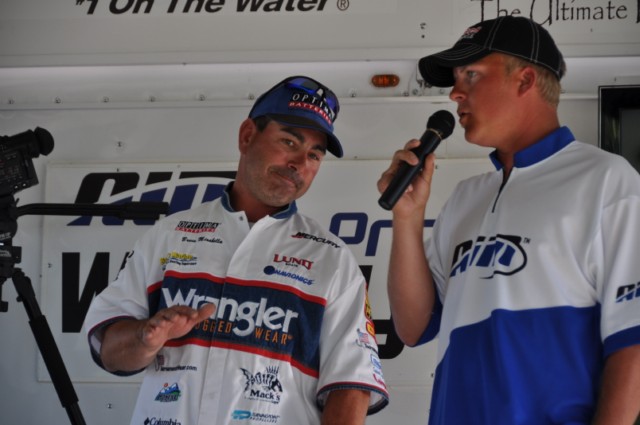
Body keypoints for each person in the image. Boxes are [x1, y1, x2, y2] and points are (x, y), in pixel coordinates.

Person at [377, 16, 640, 425]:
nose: (455, 92)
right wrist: (407, 216)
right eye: (455, 79)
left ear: (525, 79)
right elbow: (412, 328)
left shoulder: (607, 179)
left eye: (471, 74)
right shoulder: (465, 197)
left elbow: (632, 342)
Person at [84, 75, 389, 425]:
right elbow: (109, 351)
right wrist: (146, 337)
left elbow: (351, 388)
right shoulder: (169, 235)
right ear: (247, 136)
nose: (300, 163)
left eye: (314, 155)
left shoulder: (332, 258)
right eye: (289, 141)